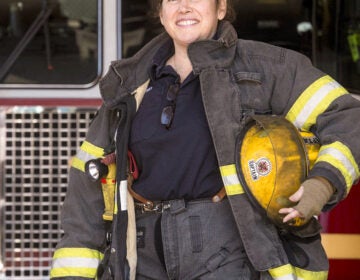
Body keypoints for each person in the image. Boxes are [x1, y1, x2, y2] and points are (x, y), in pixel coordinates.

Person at [50, 0, 360, 279]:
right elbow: (85, 193)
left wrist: (323, 183)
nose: (183, 7)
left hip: (225, 253)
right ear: (161, 13)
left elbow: (348, 116)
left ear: (221, 8)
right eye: (171, 0)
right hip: (140, 254)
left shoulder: (267, 69)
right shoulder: (129, 85)